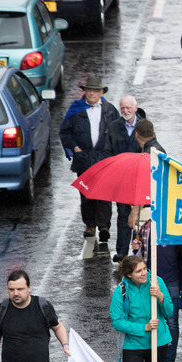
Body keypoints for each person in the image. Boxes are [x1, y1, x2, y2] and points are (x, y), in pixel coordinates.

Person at [61, 75, 120, 241]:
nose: (92, 93)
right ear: (85, 92)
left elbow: (117, 132)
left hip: (104, 158)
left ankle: (103, 225)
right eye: (89, 90)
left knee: (104, 193)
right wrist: (75, 148)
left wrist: (113, 153)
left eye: (96, 90)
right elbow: (65, 132)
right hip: (84, 158)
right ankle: (90, 224)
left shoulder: (110, 110)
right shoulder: (76, 109)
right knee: (86, 193)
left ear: (102, 92)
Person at [103, 95, 143, 262]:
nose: (125, 111)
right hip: (121, 180)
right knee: (122, 214)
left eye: (128, 108)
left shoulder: (143, 126)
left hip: (138, 179)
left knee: (139, 216)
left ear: (135, 108)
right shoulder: (113, 127)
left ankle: (139, 249)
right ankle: (121, 252)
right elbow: (107, 151)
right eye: (123, 108)